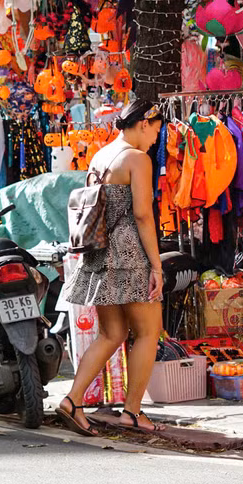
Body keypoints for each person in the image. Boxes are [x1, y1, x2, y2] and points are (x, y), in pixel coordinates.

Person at [57, 100, 165, 436]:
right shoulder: (137, 159)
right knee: (149, 332)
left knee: (111, 334)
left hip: (100, 253)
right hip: (129, 254)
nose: (154, 140)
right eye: (156, 131)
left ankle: (72, 400)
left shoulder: (100, 156)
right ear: (144, 124)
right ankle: (132, 412)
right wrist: (157, 266)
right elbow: (143, 216)